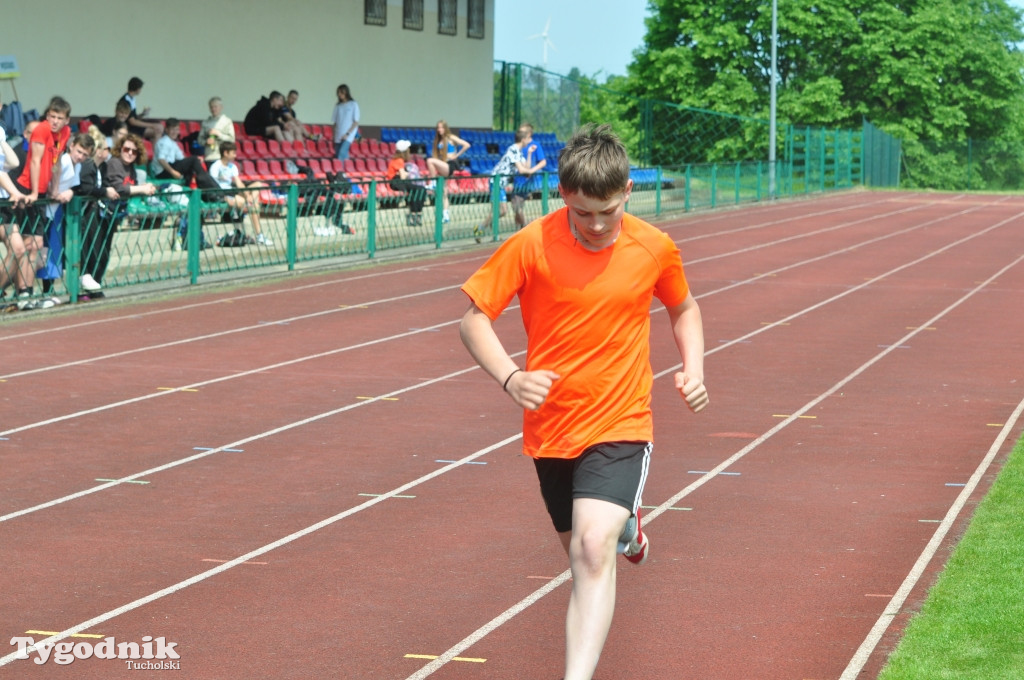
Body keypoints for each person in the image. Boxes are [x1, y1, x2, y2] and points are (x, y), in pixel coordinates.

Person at [459, 124, 709, 680]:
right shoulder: (531, 244)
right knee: (582, 549)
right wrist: (510, 378)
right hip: (551, 430)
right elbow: (474, 320)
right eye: (582, 214)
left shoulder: (653, 246)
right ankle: (629, 527)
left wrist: (693, 369)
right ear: (563, 198)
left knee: (592, 551)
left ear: (627, 193)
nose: (596, 227)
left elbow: (684, 308)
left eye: (609, 213)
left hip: (622, 421)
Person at [4, 96, 74, 306]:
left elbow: (56, 163)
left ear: (66, 120)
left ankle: (27, 292)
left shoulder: (65, 133)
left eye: (59, 118)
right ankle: (22, 291)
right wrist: (34, 192)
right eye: (51, 116)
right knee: (26, 244)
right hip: (27, 188)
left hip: (43, 191)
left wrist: (53, 188)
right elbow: (34, 161)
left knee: (37, 244)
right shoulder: (41, 130)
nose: (54, 121)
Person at [76, 127, 120, 296]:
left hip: (98, 213)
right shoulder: (88, 166)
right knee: (90, 251)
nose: (108, 151)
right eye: (106, 148)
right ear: (99, 151)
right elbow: (86, 188)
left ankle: (94, 285)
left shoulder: (102, 168)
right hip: (87, 213)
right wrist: (104, 192)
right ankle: (86, 289)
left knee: (100, 252)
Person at [208, 141, 273, 246]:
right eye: (233, 153)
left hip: (233, 192)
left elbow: (239, 183)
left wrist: (247, 196)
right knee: (255, 206)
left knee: (258, 185)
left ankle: (250, 202)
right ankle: (259, 236)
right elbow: (212, 186)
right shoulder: (215, 167)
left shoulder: (232, 166)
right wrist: (224, 197)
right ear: (225, 153)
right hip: (224, 194)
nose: (235, 155)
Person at [472, 129, 530, 242]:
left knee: (501, 211)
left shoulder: (519, 152)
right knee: (500, 210)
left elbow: (526, 167)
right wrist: (532, 170)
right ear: (523, 140)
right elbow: (522, 170)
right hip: (496, 181)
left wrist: (530, 153)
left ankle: (489, 229)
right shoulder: (513, 149)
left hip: (502, 184)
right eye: (527, 139)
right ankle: (481, 228)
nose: (529, 141)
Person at [150, 118, 217, 189]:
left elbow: (183, 159)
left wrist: (197, 159)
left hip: (170, 167)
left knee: (192, 165)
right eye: (172, 129)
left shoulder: (173, 143)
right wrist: (173, 172)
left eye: (177, 129)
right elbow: (161, 159)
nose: (175, 132)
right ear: (166, 130)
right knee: (193, 160)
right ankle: (212, 189)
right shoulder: (164, 142)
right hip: (162, 172)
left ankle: (190, 190)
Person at [425, 120, 470, 224]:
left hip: (450, 165)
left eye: (441, 127)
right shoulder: (438, 140)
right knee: (444, 193)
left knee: (429, 160)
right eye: (438, 128)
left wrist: (456, 156)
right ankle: (445, 215)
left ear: (445, 128)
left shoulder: (450, 137)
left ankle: (432, 183)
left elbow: (466, 145)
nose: (439, 129)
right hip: (443, 164)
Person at [510, 122, 548, 227]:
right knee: (516, 206)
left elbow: (543, 162)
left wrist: (531, 170)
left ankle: (523, 229)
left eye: (522, 132)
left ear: (529, 133)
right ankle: (519, 230)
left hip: (527, 181)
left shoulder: (535, 145)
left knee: (517, 205)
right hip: (518, 180)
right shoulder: (518, 146)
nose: (519, 134)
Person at [385, 139, 426, 226]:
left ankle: (417, 213)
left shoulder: (400, 161)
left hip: (399, 181)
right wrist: (408, 172)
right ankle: (415, 214)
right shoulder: (399, 160)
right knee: (418, 189)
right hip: (396, 182)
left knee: (420, 190)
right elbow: (403, 176)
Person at [117, 76, 164, 142]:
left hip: (133, 126)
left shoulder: (132, 99)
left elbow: (133, 117)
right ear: (137, 89)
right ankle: (156, 151)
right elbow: (132, 122)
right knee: (158, 129)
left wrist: (142, 114)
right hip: (129, 128)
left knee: (159, 127)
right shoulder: (126, 100)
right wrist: (152, 125)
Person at [199, 96, 235, 164]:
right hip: (210, 157)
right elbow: (200, 139)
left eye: (215, 106)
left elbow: (232, 139)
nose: (213, 109)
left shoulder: (227, 121)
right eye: (211, 107)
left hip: (223, 157)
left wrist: (219, 134)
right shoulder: (205, 123)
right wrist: (206, 142)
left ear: (221, 107)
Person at [331, 84, 359, 162]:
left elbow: (355, 122)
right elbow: (335, 122)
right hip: (338, 134)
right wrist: (333, 135)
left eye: (341, 92)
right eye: (338, 93)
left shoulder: (353, 104)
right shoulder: (338, 106)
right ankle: (346, 171)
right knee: (338, 154)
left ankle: (341, 173)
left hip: (348, 135)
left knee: (341, 153)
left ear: (346, 93)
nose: (339, 95)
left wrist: (348, 134)